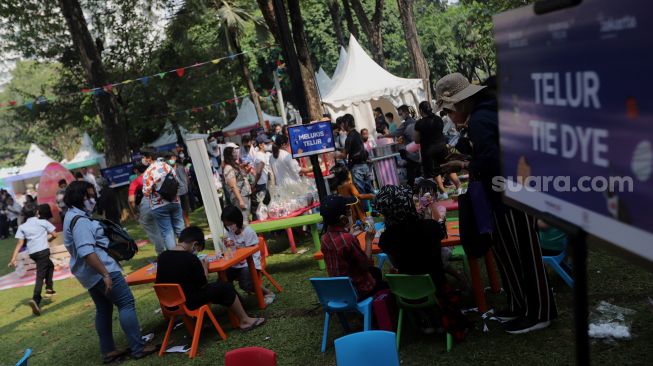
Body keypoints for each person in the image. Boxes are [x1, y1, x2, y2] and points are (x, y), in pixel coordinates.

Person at [437, 72, 556, 334]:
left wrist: (464, 163)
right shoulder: (486, 114)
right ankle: (518, 304)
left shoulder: (480, 119)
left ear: (459, 103)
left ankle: (540, 312)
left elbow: (495, 161)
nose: (448, 116)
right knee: (508, 253)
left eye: (448, 110)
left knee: (524, 254)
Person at [62, 181, 158, 362]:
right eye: (90, 195)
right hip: (102, 270)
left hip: (88, 274)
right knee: (126, 303)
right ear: (81, 196)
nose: (93, 198)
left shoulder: (71, 216)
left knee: (104, 308)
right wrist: (105, 274)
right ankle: (138, 348)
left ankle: (108, 351)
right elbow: (86, 251)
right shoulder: (80, 221)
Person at [373, 184, 470, 340]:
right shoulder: (429, 227)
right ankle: (441, 318)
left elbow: (396, 265)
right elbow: (441, 231)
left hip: (410, 293)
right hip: (438, 287)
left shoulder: (386, 238)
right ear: (407, 204)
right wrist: (431, 206)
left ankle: (426, 321)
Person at [155, 226, 266, 330]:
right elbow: (203, 284)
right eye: (198, 250)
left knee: (207, 288)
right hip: (189, 302)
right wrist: (204, 268)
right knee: (225, 287)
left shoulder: (162, 257)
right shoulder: (190, 258)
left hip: (170, 304)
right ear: (195, 244)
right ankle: (245, 320)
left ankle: (199, 323)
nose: (196, 252)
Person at [319, 195, 383, 299]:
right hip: (357, 291)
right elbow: (366, 264)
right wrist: (368, 240)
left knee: (375, 272)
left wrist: (347, 233)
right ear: (343, 219)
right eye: (347, 209)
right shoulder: (348, 239)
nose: (350, 211)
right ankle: (374, 307)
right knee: (385, 285)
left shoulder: (324, 239)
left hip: (341, 290)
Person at [8, 202, 57, 316]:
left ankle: (49, 288)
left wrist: (13, 258)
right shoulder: (43, 222)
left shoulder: (22, 226)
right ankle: (36, 300)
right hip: (43, 251)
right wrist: (47, 241)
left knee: (50, 265)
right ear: (37, 212)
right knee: (40, 275)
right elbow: (54, 235)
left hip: (33, 253)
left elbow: (20, 243)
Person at [221, 206, 276, 304]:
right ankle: (237, 302)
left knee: (245, 284)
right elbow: (231, 251)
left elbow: (251, 252)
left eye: (231, 224)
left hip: (250, 262)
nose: (229, 227)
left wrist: (236, 247)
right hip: (236, 263)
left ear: (237, 220)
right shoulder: (228, 233)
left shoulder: (248, 232)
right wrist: (227, 246)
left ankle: (268, 292)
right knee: (223, 279)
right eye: (227, 225)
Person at [143, 154, 184, 251]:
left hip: (159, 205)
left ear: (149, 158)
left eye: (144, 157)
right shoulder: (166, 166)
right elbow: (176, 180)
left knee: (167, 233)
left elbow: (146, 192)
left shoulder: (148, 172)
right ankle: (191, 254)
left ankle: (176, 259)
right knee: (180, 229)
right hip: (174, 201)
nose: (143, 160)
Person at [337, 114, 373, 210]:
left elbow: (344, 155)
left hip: (357, 168)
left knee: (360, 192)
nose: (341, 126)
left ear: (346, 123)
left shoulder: (350, 137)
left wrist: (335, 155)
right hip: (364, 166)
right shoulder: (357, 134)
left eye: (342, 123)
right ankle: (378, 208)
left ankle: (365, 213)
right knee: (369, 189)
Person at [128, 163, 166, 255]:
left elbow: (131, 200)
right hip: (161, 202)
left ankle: (162, 253)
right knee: (165, 228)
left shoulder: (136, 181)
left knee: (153, 231)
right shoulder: (154, 176)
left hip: (146, 205)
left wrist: (135, 213)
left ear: (136, 171)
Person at [415, 101, 449, 198]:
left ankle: (441, 193)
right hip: (442, 146)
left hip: (428, 150)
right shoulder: (438, 119)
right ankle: (458, 186)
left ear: (421, 110)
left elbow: (416, 140)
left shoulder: (420, 123)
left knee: (431, 173)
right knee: (448, 167)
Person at [223, 146, 252, 223]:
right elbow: (233, 185)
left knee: (246, 216)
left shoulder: (234, 165)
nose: (236, 153)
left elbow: (239, 178)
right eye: (234, 152)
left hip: (245, 193)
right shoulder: (228, 168)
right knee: (243, 219)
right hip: (240, 196)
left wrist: (245, 171)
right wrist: (240, 200)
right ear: (229, 155)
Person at [166, 153, 191, 227]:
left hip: (183, 192)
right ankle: (182, 227)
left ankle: (187, 226)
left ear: (174, 158)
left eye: (171, 158)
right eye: (168, 159)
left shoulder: (180, 167)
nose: (170, 160)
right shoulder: (167, 169)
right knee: (178, 213)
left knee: (185, 211)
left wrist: (185, 189)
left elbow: (185, 180)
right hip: (174, 193)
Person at [251, 135, 273, 221]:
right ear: (260, 145)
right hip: (261, 185)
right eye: (266, 143)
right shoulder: (259, 156)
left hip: (265, 184)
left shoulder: (265, 154)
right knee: (262, 208)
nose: (268, 144)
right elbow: (259, 171)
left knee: (267, 207)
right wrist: (254, 184)